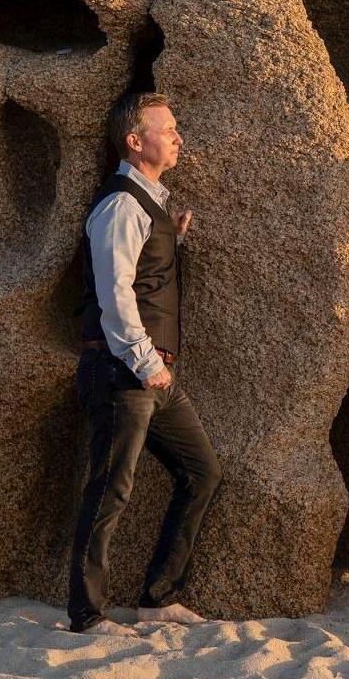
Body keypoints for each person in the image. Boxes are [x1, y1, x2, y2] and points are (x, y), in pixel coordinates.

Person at [68, 91, 222, 636]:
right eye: (168, 129)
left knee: (201, 471)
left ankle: (158, 598)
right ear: (136, 141)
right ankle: (87, 614)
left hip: (149, 374)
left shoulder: (147, 205)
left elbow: (143, 273)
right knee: (112, 488)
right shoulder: (119, 206)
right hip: (122, 371)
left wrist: (171, 239)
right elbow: (115, 296)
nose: (179, 137)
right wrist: (145, 360)